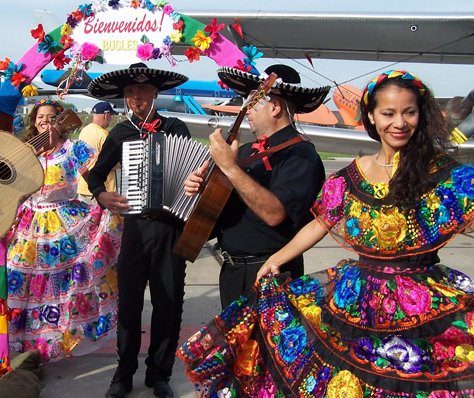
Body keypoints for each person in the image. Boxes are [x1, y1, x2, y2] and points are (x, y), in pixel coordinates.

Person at [177, 70, 474, 397]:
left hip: (424, 301)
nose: (398, 122)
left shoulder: (443, 172)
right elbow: (320, 222)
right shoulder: (351, 175)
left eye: (409, 112)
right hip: (359, 299)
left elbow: (278, 213)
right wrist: (274, 259)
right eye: (388, 113)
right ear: (372, 118)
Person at [184, 65, 328, 308]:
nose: (245, 108)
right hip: (232, 273)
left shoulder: (301, 155)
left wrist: (230, 168)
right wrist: (203, 189)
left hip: (272, 273)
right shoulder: (244, 151)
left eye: (253, 101)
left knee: (267, 346)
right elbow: (228, 204)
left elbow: (274, 214)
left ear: (275, 107)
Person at [86, 62, 190, 398]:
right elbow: (94, 175)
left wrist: (195, 182)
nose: (135, 98)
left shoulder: (176, 128)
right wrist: (102, 195)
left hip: (171, 229)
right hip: (134, 230)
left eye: (142, 91)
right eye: (130, 93)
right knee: (129, 304)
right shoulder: (120, 133)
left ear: (155, 93)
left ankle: (159, 373)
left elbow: (193, 168)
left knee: (168, 304)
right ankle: (123, 373)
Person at [4, 99, 122, 361]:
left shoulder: (73, 148)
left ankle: (57, 340)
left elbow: (93, 175)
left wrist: (101, 195)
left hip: (64, 222)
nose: (45, 122)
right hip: (27, 223)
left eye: (50, 118)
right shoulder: (24, 151)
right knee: (21, 283)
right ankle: (25, 346)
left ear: (61, 122)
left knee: (62, 285)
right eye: (40, 118)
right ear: (34, 122)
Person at [77, 101, 119, 205]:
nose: (110, 120)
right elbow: (111, 164)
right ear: (106, 115)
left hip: (83, 187)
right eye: (111, 116)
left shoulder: (84, 131)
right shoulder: (104, 135)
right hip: (102, 189)